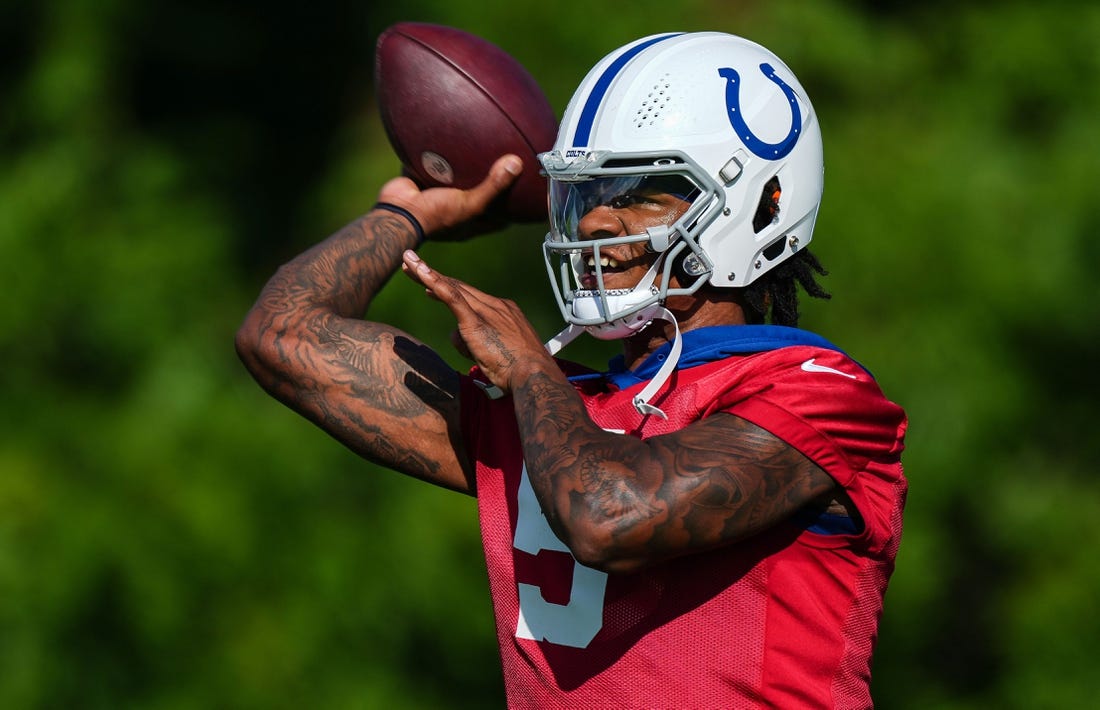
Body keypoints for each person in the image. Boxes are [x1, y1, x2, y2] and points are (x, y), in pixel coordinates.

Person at [237, 30, 908, 708]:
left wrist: (530, 370)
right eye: (587, 193)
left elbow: (610, 515)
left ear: (761, 203)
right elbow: (281, 336)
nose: (595, 223)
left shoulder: (821, 392)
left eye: (642, 191)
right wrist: (402, 216)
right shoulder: (553, 411)